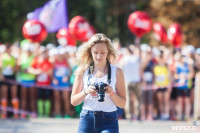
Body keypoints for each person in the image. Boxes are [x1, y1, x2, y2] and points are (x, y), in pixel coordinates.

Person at [71, 33, 126, 133]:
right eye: (95, 52)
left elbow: (122, 103)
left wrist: (111, 93)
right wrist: (86, 91)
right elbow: (73, 101)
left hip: (109, 119)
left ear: (108, 51)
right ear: (90, 51)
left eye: (102, 52)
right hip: (87, 118)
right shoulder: (82, 71)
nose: (99, 56)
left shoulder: (117, 72)